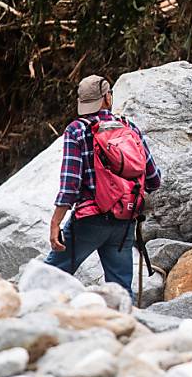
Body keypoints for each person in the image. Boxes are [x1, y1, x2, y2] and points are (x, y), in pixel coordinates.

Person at [45, 74, 161, 295]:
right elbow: (153, 179)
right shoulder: (129, 127)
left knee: (48, 277)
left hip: (89, 222)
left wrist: (55, 223)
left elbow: (71, 184)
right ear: (108, 98)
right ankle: (126, 326)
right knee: (120, 291)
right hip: (124, 221)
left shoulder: (77, 130)